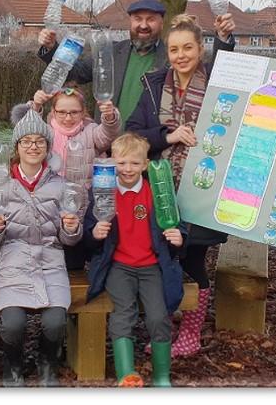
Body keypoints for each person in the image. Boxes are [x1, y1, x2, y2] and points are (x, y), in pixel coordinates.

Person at [126, 13, 236, 358]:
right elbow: (133, 133)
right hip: (161, 189)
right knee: (166, 255)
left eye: (188, 47)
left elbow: (234, 94)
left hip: (203, 188)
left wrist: (225, 40)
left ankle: (191, 334)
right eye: (174, 49)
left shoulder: (216, 83)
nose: (181, 55)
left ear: (201, 49)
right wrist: (168, 136)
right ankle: (171, 319)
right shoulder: (154, 85)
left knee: (193, 259)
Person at [0, 108, 82, 386]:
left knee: (55, 321)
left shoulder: (61, 185)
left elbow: (70, 239)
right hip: (12, 263)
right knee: (13, 324)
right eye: (26, 141)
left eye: (39, 141)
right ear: (17, 147)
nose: (33, 146)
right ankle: (12, 365)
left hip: (50, 263)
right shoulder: (0, 185)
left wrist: (71, 227)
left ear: (48, 147)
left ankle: (47, 363)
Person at [82, 133, 186, 387]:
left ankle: (161, 377)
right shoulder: (103, 192)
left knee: (158, 317)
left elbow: (178, 225)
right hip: (119, 266)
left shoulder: (157, 192)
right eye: (122, 163)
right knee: (123, 314)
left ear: (145, 165)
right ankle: (126, 374)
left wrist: (178, 237)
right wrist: (94, 233)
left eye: (134, 163)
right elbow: (88, 232)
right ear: (112, 163)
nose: (127, 169)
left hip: (151, 266)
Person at [12, 85, 120, 271]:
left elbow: (108, 134)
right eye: (62, 112)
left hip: (83, 207)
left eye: (74, 112)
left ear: (83, 112)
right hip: (50, 208)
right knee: (53, 253)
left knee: (75, 258)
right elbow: (26, 130)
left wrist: (109, 116)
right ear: (53, 111)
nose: (68, 118)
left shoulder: (91, 131)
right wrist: (36, 105)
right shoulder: (46, 133)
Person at [38, 0, 169, 123]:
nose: (143, 25)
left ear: (162, 23)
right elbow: (77, 72)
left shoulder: (171, 59)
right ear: (131, 22)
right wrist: (51, 47)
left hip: (150, 138)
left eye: (151, 19)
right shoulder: (110, 51)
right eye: (138, 19)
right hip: (108, 136)